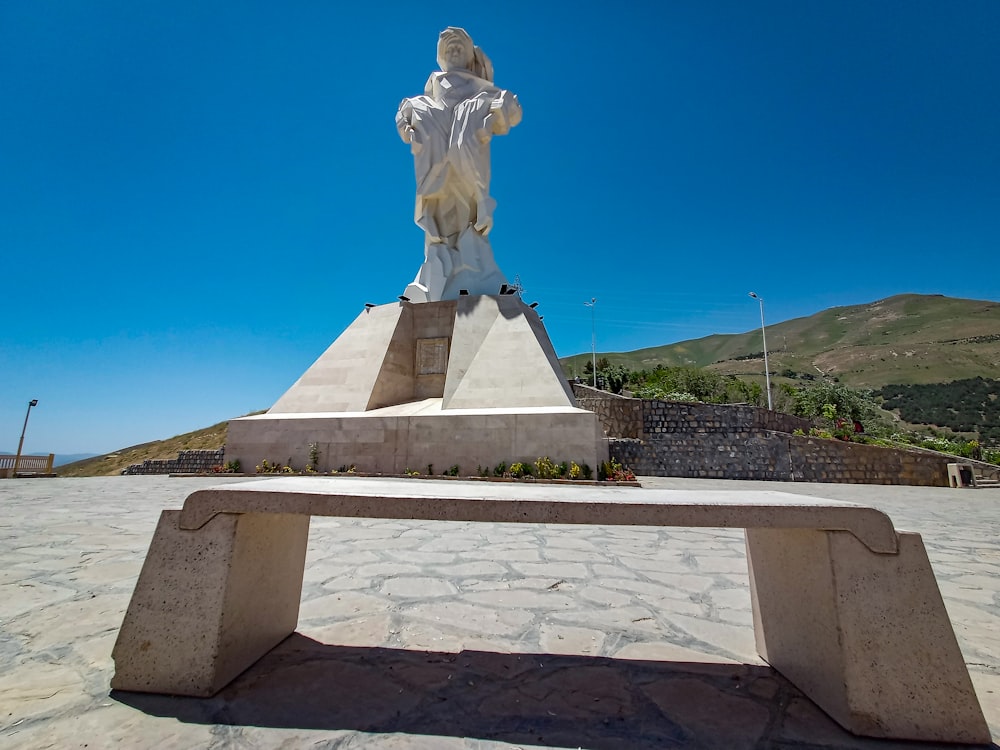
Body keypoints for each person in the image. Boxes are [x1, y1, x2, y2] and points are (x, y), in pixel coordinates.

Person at [396, 27, 522, 301]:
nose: (453, 51)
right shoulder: (423, 100)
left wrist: (496, 111)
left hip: (467, 170)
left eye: (459, 48)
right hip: (435, 171)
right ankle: (440, 268)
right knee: (439, 218)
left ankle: (471, 267)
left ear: (470, 57)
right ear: (440, 56)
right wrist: (408, 121)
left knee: (467, 215)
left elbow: (511, 110)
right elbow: (404, 122)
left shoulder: (484, 93)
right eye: (448, 48)